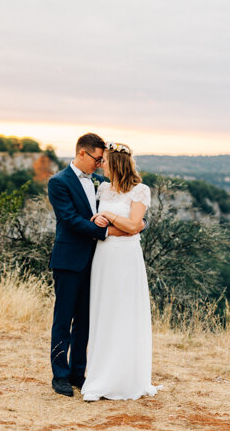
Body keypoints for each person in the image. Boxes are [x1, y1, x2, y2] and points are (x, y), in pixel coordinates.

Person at [47, 133, 130, 397]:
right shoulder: (58, 182)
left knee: (84, 321)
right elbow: (70, 219)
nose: (100, 164)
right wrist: (106, 233)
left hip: (94, 262)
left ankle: (77, 373)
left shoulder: (98, 183)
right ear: (82, 153)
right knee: (63, 319)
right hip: (68, 261)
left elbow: (112, 211)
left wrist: (134, 225)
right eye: (97, 158)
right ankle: (59, 375)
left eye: (102, 160)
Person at [79, 141, 159, 401]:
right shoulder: (102, 188)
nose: (100, 165)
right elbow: (94, 219)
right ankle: (101, 376)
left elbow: (135, 225)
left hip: (126, 256)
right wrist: (97, 219)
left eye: (105, 161)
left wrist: (111, 217)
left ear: (116, 163)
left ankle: (126, 378)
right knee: (105, 312)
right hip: (104, 256)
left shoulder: (140, 190)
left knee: (125, 311)